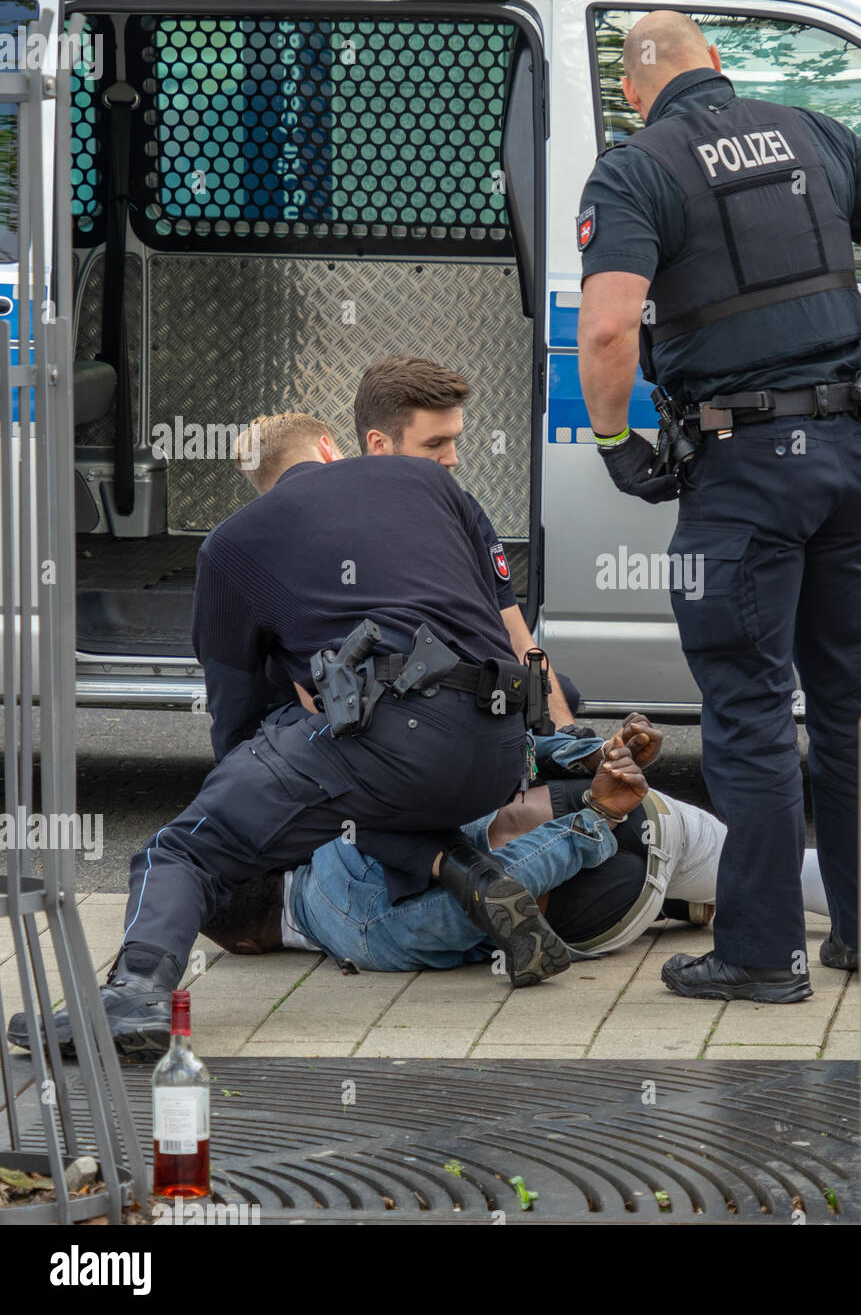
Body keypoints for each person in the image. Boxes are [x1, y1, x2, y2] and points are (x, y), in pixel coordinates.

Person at [576, 10, 861, 1002]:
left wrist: (615, 443)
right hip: (848, 460)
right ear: (720, 67)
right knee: (850, 702)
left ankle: (761, 952)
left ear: (633, 91)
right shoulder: (812, 130)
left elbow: (610, 328)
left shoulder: (635, 169)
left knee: (746, 710)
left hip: (742, 469)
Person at [9, 434, 572, 1060]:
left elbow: (236, 708)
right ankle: (476, 872)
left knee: (185, 850)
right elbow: (491, 607)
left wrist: (245, 816)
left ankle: (135, 996)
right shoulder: (428, 481)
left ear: (260, 485)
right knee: (368, 798)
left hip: (400, 736)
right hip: (501, 743)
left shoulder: (232, 543)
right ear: (330, 448)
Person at [204, 726, 861, 970]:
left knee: (743, 883)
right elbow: (489, 858)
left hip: (602, 904)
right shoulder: (329, 842)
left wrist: (588, 801)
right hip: (614, 846)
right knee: (770, 869)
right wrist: (588, 787)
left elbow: (484, 909)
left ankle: (701, 906)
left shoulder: (354, 935)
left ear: (253, 941)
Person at [353, 354, 582, 730]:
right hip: (370, 705)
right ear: (379, 444)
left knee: (559, 694)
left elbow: (515, 634)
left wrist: (570, 741)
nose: (453, 459)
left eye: (455, 440)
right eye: (435, 444)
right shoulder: (329, 516)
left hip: (454, 696)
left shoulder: (464, 512)